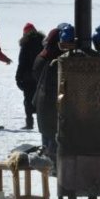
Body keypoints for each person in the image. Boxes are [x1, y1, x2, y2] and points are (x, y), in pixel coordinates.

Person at [32, 26, 63, 169]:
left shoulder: (43, 56)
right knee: (53, 137)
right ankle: (51, 166)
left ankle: (48, 165)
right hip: (49, 102)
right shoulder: (54, 60)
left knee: (48, 135)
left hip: (42, 101)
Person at [15, 23, 44, 130]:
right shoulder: (43, 42)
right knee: (41, 100)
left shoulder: (25, 43)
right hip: (41, 75)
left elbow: (22, 62)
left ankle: (29, 123)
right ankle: (41, 123)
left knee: (28, 99)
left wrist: (18, 77)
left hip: (27, 76)